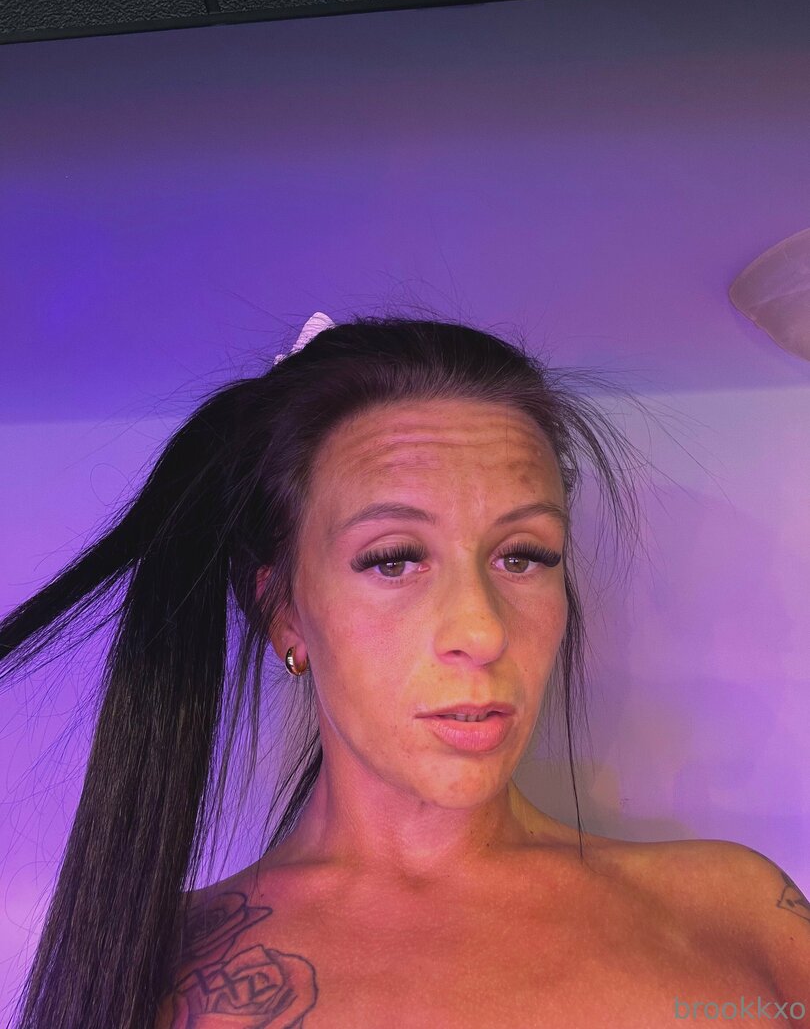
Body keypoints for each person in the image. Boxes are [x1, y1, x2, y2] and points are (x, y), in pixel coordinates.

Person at [1, 311, 807, 1029]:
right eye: (393, 559)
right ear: (283, 611)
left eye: (523, 556)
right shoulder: (142, 971)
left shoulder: (739, 918)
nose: (481, 630)